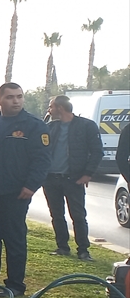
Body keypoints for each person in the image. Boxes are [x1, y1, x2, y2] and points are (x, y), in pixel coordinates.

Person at [0, 82, 51, 297]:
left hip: (14, 192)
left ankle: (15, 285)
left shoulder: (33, 125)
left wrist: (31, 186)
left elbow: (42, 160)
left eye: (19, 96)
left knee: (14, 240)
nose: (16, 101)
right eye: (10, 97)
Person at [43, 95, 104, 261]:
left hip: (74, 179)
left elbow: (97, 152)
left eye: (51, 106)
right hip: (51, 179)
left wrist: (87, 174)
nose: (49, 110)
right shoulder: (50, 127)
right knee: (56, 214)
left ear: (60, 108)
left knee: (78, 215)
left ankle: (83, 250)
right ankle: (62, 247)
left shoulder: (86, 126)